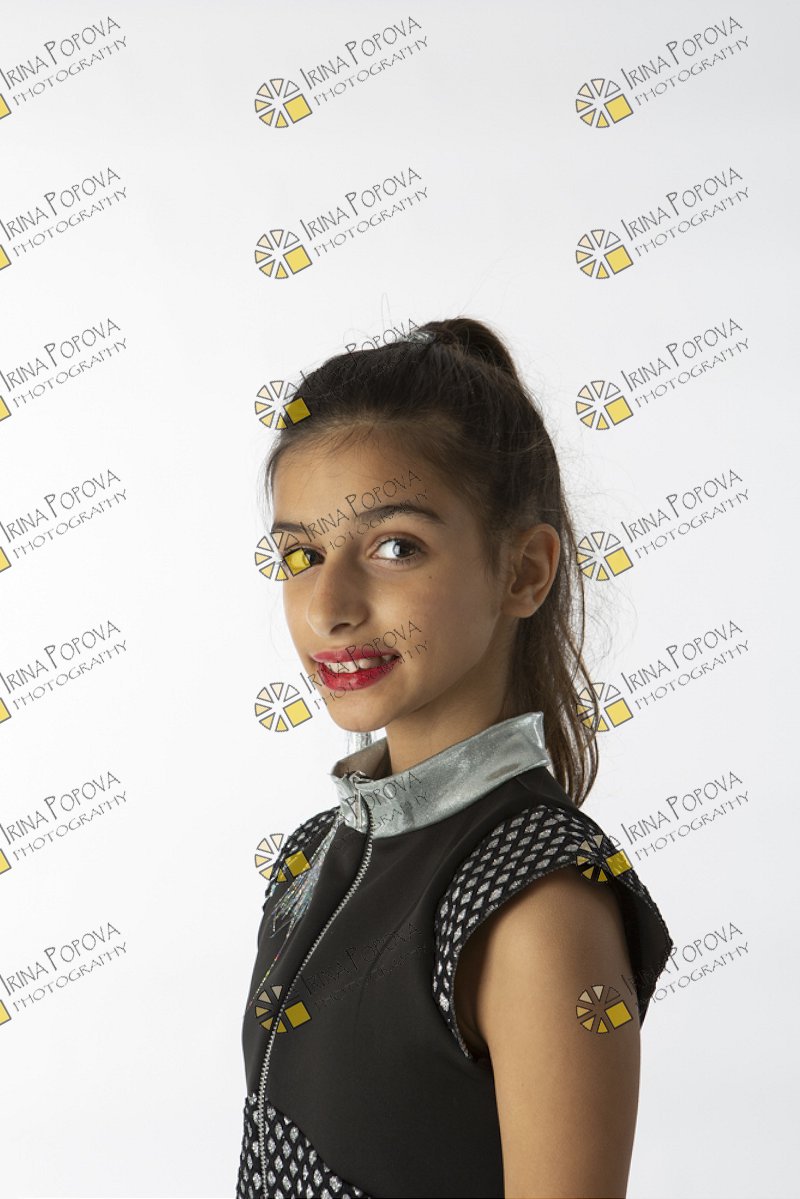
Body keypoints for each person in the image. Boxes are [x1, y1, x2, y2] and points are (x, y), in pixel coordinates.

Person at [236, 317, 675, 1199]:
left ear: (523, 570)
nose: (328, 605)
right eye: (302, 554)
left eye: (395, 546)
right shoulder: (312, 857)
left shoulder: (538, 903)